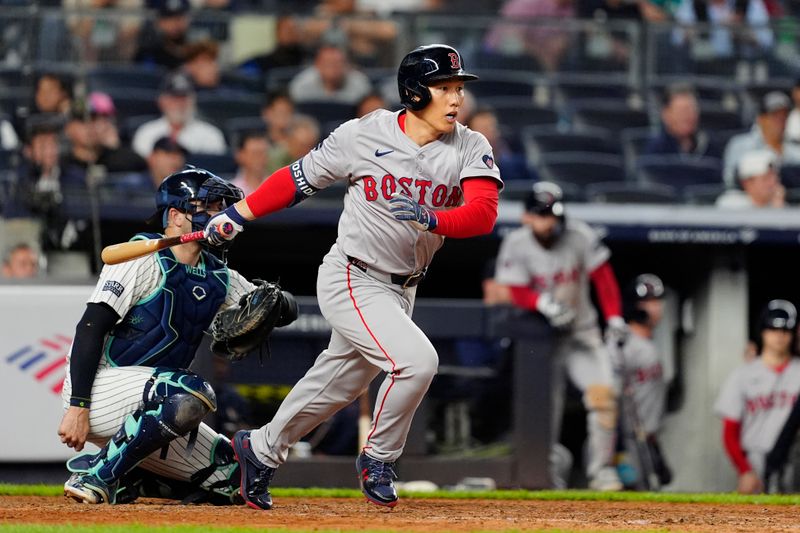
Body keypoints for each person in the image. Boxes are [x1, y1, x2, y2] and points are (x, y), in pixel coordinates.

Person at [202, 44, 502, 510]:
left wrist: (430, 217)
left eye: (458, 88)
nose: (456, 99)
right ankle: (379, 459)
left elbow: (483, 215)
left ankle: (258, 450)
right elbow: (297, 179)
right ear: (416, 91)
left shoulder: (469, 144)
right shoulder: (365, 134)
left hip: (404, 285)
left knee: (338, 382)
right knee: (418, 362)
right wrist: (239, 213)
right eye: (445, 88)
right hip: (353, 274)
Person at [57, 167, 297, 505]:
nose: (218, 214)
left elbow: (285, 311)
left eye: (220, 207)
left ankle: (133, 476)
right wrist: (78, 406)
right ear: (175, 215)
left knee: (236, 477)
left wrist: (276, 300)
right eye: (208, 207)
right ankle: (99, 476)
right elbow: (90, 327)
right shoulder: (141, 257)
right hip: (100, 389)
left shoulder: (218, 275)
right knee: (192, 390)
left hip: (159, 405)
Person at [493, 181, 626, 491]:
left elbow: (603, 279)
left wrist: (615, 317)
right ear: (527, 216)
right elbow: (513, 287)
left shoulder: (579, 234)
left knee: (604, 397)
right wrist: (542, 303)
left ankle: (602, 470)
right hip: (542, 340)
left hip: (582, 333)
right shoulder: (516, 242)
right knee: (542, 411)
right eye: (542, 216)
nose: (549, 222)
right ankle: (547, 473)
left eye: (553, 215)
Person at [715, 300, 800, 494]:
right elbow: (729, 432)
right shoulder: (743, 375)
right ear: (762, 331)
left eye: (786, 330)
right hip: (755, 459)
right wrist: (744, 470)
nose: (779, 335)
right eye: (773, 329)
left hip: (794, 458)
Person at [613, 274, 672, 489]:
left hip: (647, 437)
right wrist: (618, 449)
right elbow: (611, 396)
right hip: (626, 438)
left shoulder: (650, 343)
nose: (655, 308)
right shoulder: (622, 343)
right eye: (647, 302)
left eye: (657, 301)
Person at [132, 71, 227, 158]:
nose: (180, 104)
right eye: (174, 98)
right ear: (162, 101)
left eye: (184, 98)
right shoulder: (146, 133)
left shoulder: (211, 135)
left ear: (193, 101)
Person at [723, 91, 800, 187]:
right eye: (775, 116)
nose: (781, 121)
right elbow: (730, 180)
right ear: (761, 119)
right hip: (749, 200)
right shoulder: (741, 145)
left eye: (784, 116)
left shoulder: (794, 147)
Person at [644, 83, 723, 159]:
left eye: (691, 110)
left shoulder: (710, 148)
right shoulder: (656, 151)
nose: (687, 116)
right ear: (666, 114)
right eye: (681, 111)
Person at [288, 43, 372, 105]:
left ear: (347, 65)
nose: (333, 68)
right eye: (328, 63)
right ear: (317, 65)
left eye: (338, 63)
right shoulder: (301, 85)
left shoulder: (361, 85)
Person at [716, 150, 785, 208]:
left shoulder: (778, 204)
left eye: (775, 178)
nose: (773, 183)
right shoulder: (731, 203)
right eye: (766, 179)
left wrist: (778, 208)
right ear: (747, 183)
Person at [134, 0, 191, 69]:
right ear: (159, 21)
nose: (174, 23)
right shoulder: (149, 49)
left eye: (179, 18)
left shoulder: (194, 47)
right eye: (168, 18)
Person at [231, 131, 270, 196]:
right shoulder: (232, 191)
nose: (259, 158)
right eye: (254, 154)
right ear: (240, 155)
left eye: (263, 153)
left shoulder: (277, 185)